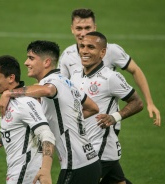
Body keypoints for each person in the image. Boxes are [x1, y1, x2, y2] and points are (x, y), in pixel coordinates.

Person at [0, 40, 102, 184]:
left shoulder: (52, 82)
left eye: (31, 58)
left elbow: (48, 90)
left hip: (76, 165)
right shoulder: (67, 82)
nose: (26, 62)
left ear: (46, 62)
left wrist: (9, 92)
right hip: (90, 161)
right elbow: (93, 107)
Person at [58, 8, 161, 132]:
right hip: (79, 122)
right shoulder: (67, 54)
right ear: (72, 29)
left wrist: (150, 102)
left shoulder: (111, 51)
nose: (84, 33)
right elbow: (61, 85)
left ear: (95, 27)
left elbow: (135, 70)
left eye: (88, 28)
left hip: (105, 123)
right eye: (79, 28)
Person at [70, 31, 144, 183]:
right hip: (84, 146)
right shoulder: (76, 75)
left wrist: (114, 117)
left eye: (91, 47)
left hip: (100, 148)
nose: (84, 51)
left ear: (102, 52)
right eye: (82, 46)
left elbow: (137, 102)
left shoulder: (111, 77)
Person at [0, 55, 56, 184]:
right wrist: (1, 141)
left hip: (25, 175)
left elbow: (47, 135)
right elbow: (26, 130)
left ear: (11, 78)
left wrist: (45, 170)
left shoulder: (23, 103)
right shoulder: (10, 101)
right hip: (19, 173)